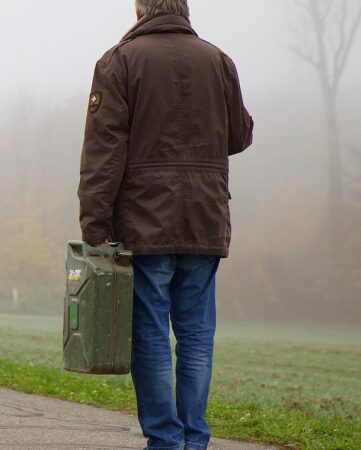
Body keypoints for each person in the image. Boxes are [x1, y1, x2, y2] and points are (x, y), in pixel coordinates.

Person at [77, 1, 254, 449]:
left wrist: (94, 226)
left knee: (152, 332)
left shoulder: (118, 62)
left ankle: (166, 442)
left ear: (141, 9)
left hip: (144, 221)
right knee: (196, 335)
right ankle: (194, 441)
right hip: (205, 218)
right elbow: (240, 135)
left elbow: (103, 154)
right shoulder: (219, 61)